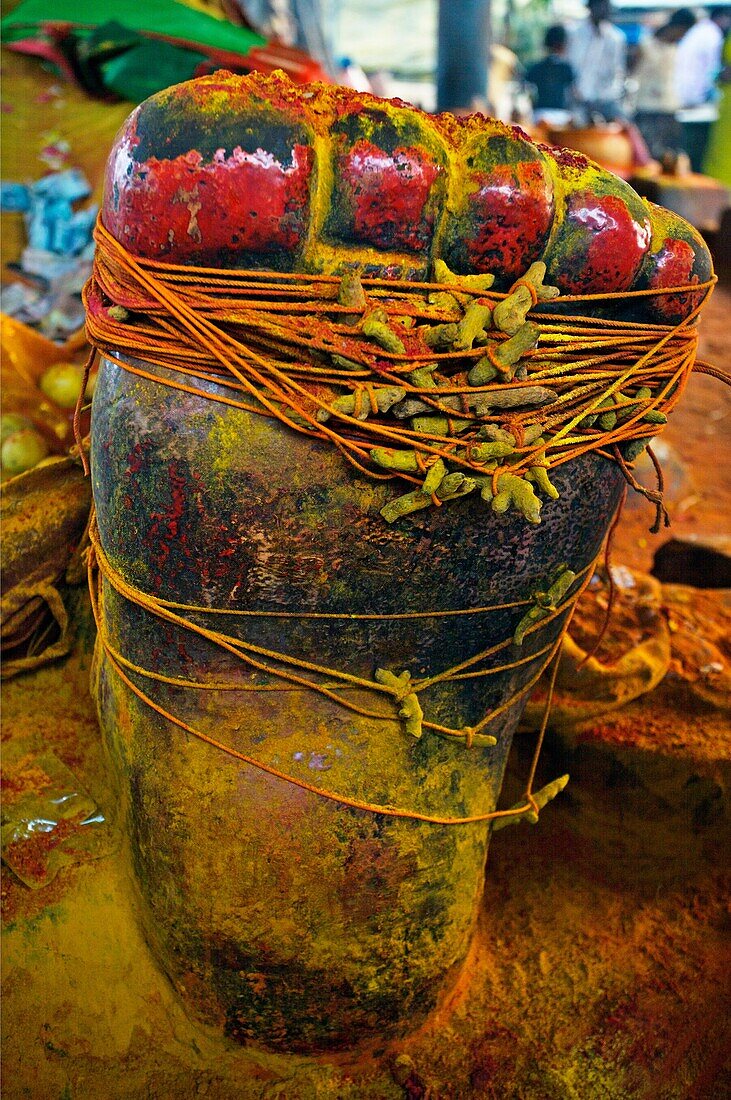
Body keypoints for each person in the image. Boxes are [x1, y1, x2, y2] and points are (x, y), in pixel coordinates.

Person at [632, 9, 696, 159]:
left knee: (670, 158)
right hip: (647, 110)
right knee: (647, 158)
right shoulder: (645, 45)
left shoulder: (675, 48)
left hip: (669, 111)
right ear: (678, 26)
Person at [674, 6, 731, 170]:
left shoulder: (701, 32)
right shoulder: (712, 35)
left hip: (687, 98)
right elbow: (717, 72)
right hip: (697, 100)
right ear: (721, 17)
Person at [568, 0, 627, 122]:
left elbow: (618, 71)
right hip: (578, 100)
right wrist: (575, 90)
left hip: (606, 101)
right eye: (599, 5)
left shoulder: (616, 37)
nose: (602, 9)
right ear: (591, 7)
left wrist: (611, 95)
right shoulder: (575, 33)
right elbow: (569, 65)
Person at [525, 25, 576, 122]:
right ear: (562, 44)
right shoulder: (566, 68)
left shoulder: (536, 67)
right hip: (561, 116)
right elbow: (574, 94)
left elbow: (528, 90)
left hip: (539, 115)